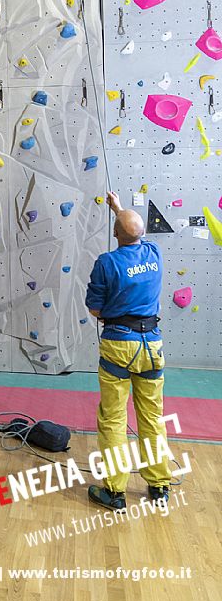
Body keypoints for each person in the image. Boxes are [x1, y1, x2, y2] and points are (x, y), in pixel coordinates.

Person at [85, 191, 172, 511]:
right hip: (153, 346)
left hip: (120, 346)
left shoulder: (106, 263)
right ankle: (159, 486)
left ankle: (115, 491)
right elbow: (134, 231)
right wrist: (119, 208)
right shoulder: (155, 253)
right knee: (152, 418)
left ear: (114, 234)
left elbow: (95, 310)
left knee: (113, 418)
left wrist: (112, 310)